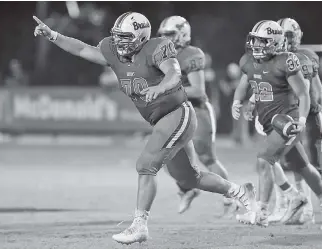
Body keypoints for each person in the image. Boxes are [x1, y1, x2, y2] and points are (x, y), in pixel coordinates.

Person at [33, 12, 255, 245]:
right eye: (117, 36)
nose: (119, 42)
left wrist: (160, 88)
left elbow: (173, 73)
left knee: (146, 165)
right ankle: (241, 192)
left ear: (141, 38)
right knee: (190, 178)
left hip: (178, 113)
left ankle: (139, 225)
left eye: (125, 37)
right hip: (161, 119)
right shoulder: (112, 51)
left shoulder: (156, 48)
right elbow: (81, 49)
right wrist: (54, 36)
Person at [232, 20, 322, 230]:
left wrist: (302, 120)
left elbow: (304, 94)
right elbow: (250, 85)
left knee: (264, 160)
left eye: (263, 41)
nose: (257, 45)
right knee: (303, 166)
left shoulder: (286, 61)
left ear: (276, 43)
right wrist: (240, 102)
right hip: (268, 121)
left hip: (286, 120)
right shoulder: (249, 61)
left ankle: (261, 211)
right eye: (256, 40)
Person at [264, 18, 322, 226]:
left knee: (316, 170)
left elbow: (316, 93)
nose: (285, 40)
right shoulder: (280, 59)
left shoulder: (303, 57)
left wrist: (313, 115)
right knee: (298, 166)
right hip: (295, 120)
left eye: (288, 36)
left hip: (309, 119)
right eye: (282, 36)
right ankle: (305, 212)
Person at [157, 15, 237, 217]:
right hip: (176, 113)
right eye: (164, 35)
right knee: (164, 156)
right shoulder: (162, 56)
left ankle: (232, 198)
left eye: (170, 35)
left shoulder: (191, 54)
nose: (165, 39)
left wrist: (166, 89)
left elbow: (198, 91)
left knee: (207, 158)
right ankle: (187, 188)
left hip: (197, 110)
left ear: (183, 35)